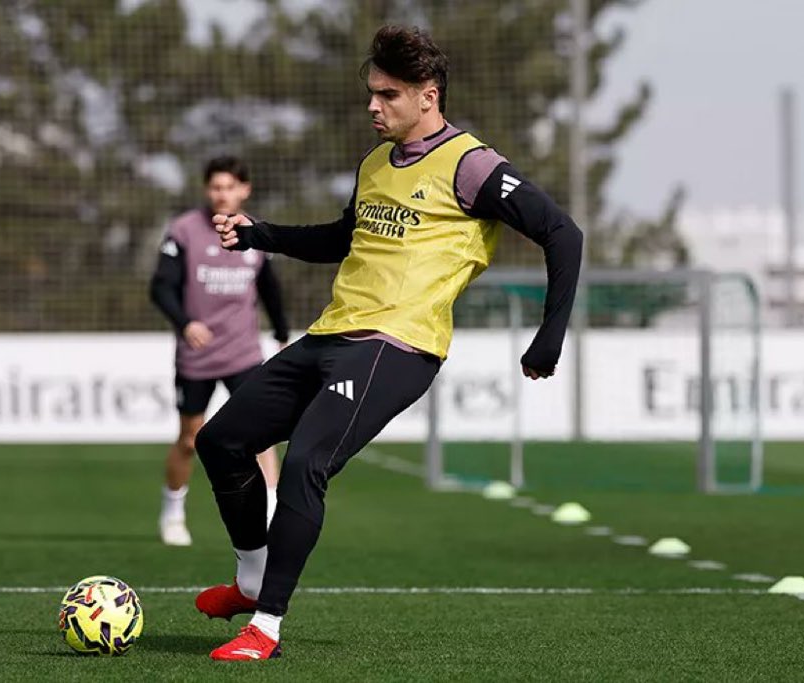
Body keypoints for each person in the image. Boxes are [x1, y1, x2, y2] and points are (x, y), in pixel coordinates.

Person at [194, 26, 584, 660]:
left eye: (388, 94)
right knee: (222, 441)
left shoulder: (472, 165)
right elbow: (341, 240)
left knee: (303, 465)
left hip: (398, 345)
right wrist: (259, 234)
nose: (373, 106)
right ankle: (251, 579)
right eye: (371, 93)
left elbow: (564, 235)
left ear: (428, 97)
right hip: (331, 333)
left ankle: (264, 628)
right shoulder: (375, 163)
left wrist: (550, 337)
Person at [149, 156, 289, 547]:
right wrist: (185, 323)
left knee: (261, 436)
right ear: (207, 190)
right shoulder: (184, 231)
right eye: (215, 187)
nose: (222, 194)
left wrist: (281, 334)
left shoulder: (253, 233)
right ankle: (173, 512)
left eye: (230, 187)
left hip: (244, 353)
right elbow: (160, 287)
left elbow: (270, 288)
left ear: (244, 190)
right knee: (191, 439)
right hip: (197, 356)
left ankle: (272, 511)